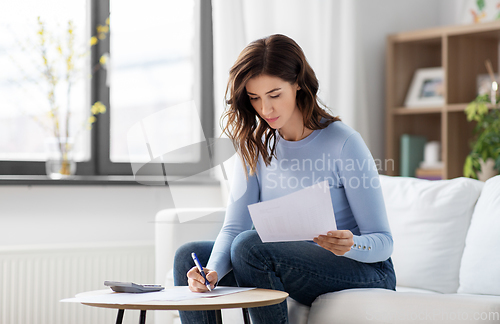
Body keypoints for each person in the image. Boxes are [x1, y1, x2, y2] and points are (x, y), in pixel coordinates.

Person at [173, 34, 396, 324]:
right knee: (189, 256)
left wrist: (351, 244)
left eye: (274, 95)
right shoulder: (255, 147)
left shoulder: (344, 143)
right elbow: (233, 227)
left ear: (299, 84)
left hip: (363, 269)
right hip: (287, 263)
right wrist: (211, 271)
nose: (265, 110)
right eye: (254, 98)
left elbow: (384, 243)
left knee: (249, 246)